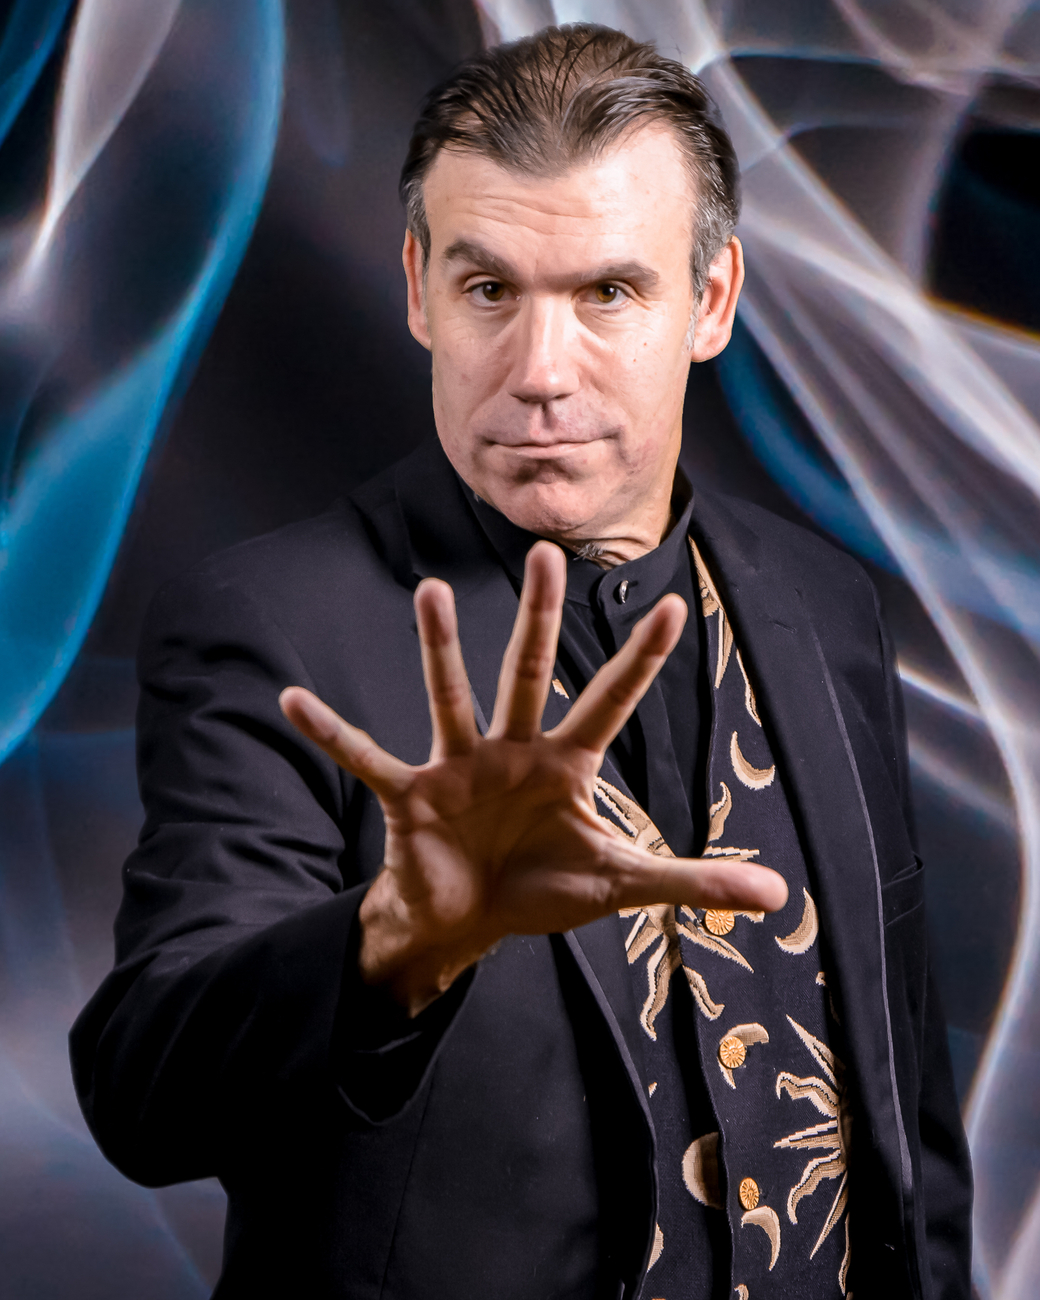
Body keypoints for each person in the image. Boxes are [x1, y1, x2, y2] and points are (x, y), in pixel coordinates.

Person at [70, 23, 971, 1300]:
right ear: (418, 289)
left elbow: (900, 1114)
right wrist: (395, 939)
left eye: (606, 292)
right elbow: (144, 1091)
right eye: (489, 290)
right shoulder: (269, 625)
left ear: (711, 301)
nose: (540, 374)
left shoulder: (824, 608)